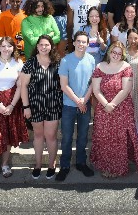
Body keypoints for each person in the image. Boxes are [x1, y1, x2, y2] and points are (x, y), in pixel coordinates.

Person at [90, 41, 138, 178]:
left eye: (119, 53)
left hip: (122, 107)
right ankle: (106, 166)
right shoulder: (99, 67)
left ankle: (118, 169)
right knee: (104, 138)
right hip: (104, 107)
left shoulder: (126, 67)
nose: (116, 55)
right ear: (109, 52)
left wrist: (112, 104)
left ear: (123, 55)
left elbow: (126, 89)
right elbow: (96, 90)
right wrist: (105, 105)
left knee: (118, 140)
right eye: (114, 52)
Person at [0, 37, 29, 185]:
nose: (6, 49)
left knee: (8, 135)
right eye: (3, 46)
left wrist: (12, 106)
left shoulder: (18, 63)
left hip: (12, 103)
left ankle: (4, 164)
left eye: (9, 46)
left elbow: (20, 85)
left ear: (13, 48)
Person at [18, 35, 62, 181]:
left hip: (53, 105)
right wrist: (26, 107)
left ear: (51, 46)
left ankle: (51, 164)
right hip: (35, 105)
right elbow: (23, 86)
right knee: (38, 136)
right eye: (41, 45)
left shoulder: (57, 62)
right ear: (37, 47)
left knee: (50, 136)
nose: (44, 47)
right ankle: (37, 165)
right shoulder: (30, 63)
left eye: (47, 45)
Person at [56, 32, 97, 181]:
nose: (81, 44)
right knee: (66, 137)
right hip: (68, 105)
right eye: (78, 41)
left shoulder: (91, 60)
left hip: (84, 104)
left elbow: (93, 83)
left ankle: (81, 162)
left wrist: (84, 100)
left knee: (82, 136)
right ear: (73, 43)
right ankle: (65, 166)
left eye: (84, 42)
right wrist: (78, 101)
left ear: (87, 44)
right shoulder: (66, 60)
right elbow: (63, 85)